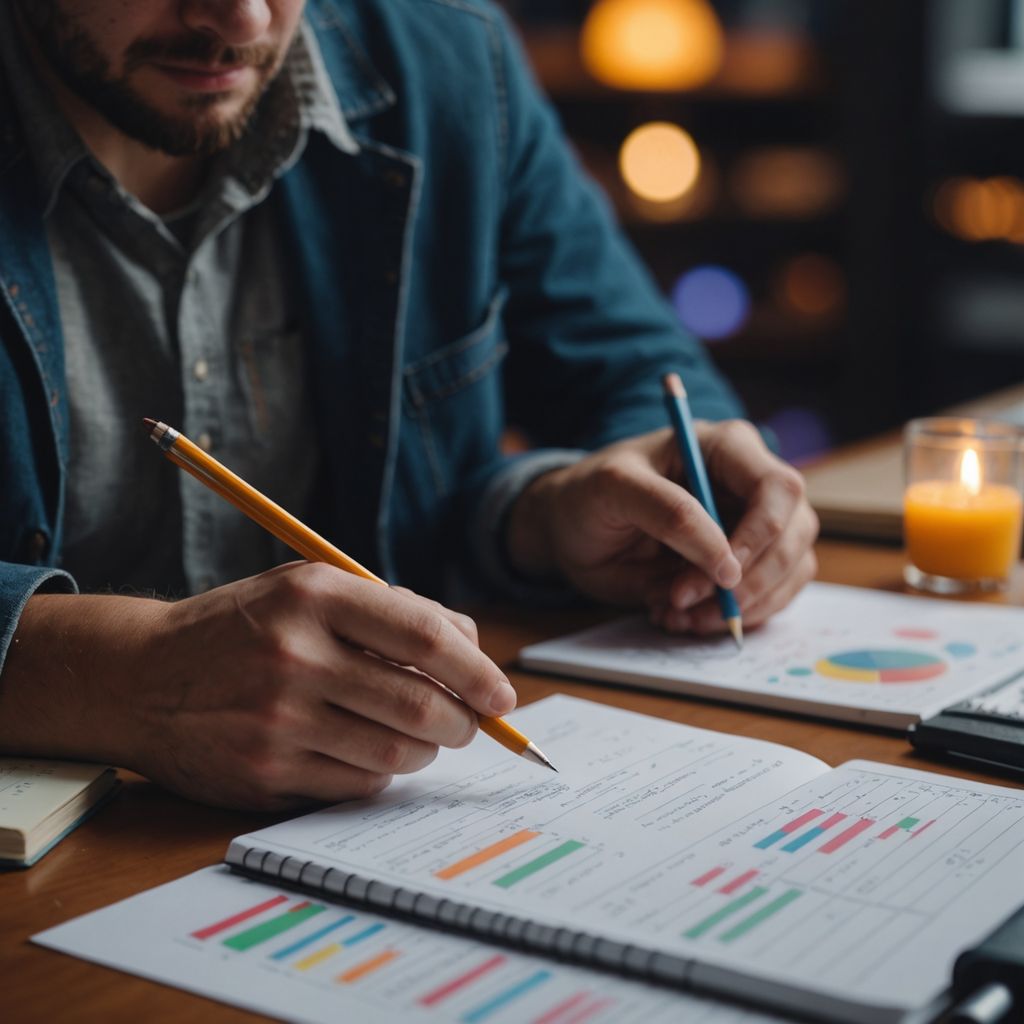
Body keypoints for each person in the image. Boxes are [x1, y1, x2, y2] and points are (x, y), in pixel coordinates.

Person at [0, 0, 818, 810]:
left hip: (367, 826)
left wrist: (545, 517)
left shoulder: (447, 58)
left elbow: (642, 376)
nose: (246, 22)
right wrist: (124, 677)